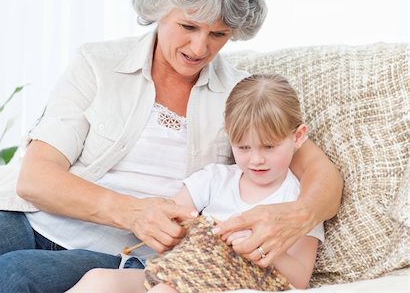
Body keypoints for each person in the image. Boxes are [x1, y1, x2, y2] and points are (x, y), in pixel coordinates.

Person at [0, 0, 343, 292]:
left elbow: (321, 174)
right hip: (27, 218)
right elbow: (35, 178)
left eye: (219, 34)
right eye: (188, 26)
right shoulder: (98, 64)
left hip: (121, 252)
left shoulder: (240, 96)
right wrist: (133, 210)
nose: (199, 48)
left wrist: (296, 217)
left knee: (5, 278)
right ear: (159, 9)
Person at [66, 74, 325, 293]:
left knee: (164, 291)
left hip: (239, 285)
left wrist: (264, 248)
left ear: (298, 136)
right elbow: (172, 218)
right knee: (98, 281)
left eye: (269, 147)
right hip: (179, 273)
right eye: (243, 147)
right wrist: (185, 227)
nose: (256, 159)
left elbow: (300, 278)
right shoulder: (214, 179)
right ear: (228, 136)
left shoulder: (299, 202)